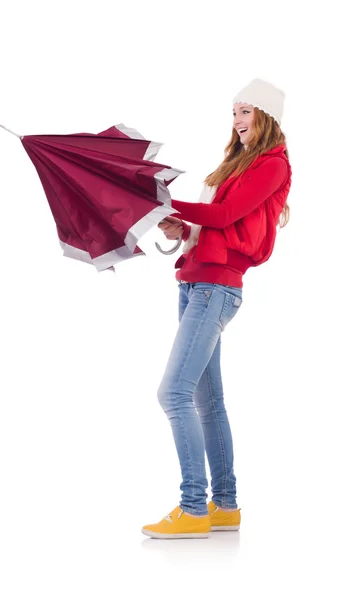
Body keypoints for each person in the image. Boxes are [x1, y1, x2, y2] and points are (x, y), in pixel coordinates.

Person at [141, 78, 292, 539]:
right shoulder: (234, 164)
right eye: (233, 113)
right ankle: (224, 505)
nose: (237, 121)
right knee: (207, 401)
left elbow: (226, 219)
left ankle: (193, 508)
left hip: (214, 288)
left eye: (245, 112)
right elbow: (213, 228)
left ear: (265, 117)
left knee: (173, 394)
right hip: (195, 283)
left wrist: (163, 198)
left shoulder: (272, 165)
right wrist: (178, 227)